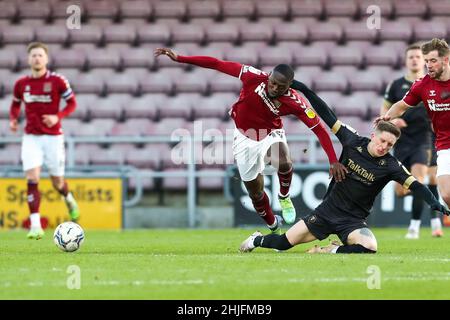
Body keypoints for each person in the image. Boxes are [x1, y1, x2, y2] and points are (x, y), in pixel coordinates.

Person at [239, 80, 450, 254]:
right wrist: (304, 89)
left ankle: (327, 251)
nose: (384, 147)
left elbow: (415, 185)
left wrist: (434, 202)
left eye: (390, 145)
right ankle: (256, 240)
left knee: (369, 247)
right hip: (325, 213)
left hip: (353, 221)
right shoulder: (351, 140)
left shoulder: (391, 165)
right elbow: (326, 113)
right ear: (373, 135)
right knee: (283, 244)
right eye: (382, 141)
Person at [154, 48, 346, 233]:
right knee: (255, 192)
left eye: (281, 86)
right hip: (243, 138)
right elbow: (217, 64)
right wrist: (180, 58)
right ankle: (273, 226)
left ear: (289, 86)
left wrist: (333, 160)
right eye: (273, 82)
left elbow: (320, 129)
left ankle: (284, 196)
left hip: (271, 133)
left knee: (284, 161)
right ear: (269, 76)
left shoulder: (294, 101)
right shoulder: (253, 76)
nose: (274, 88)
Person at [9, 42, 80, 240]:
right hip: (31, 137)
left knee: (57, 182)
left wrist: (58, 116)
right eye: (33, 55)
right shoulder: (21, 84)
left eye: (40, 55)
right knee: (32, 178)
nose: (37, 58)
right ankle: (35, 225)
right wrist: (14, 119)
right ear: (28, 59)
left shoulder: (57, 81)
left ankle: (69, 199)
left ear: (46, 59)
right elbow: (15, 105)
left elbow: (72, 103)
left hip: (53, 138)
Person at [376, 38, 450, 211]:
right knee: (446, 194)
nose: (428, 65)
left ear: (445, 60)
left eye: (433, 60)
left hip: (424, 141)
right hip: (445, 145)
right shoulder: (422, 85)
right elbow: (401, 105)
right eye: (427, 61)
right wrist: (386, 118)